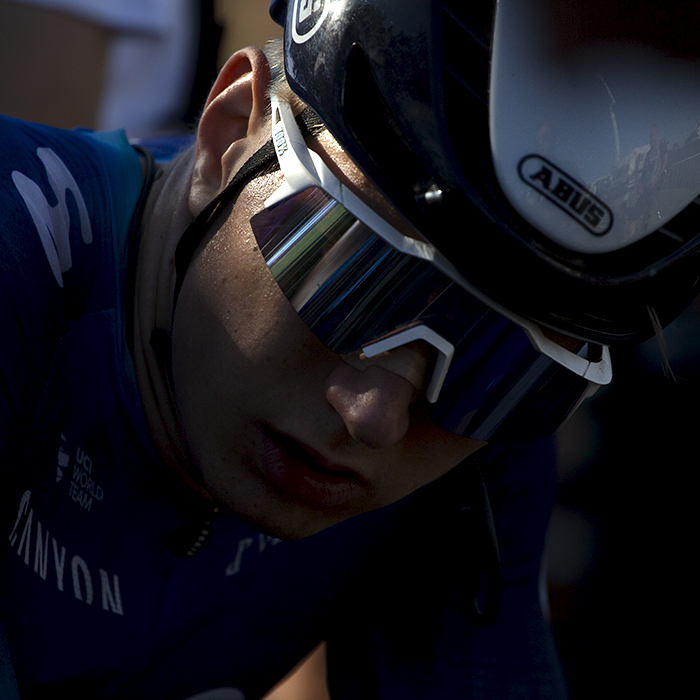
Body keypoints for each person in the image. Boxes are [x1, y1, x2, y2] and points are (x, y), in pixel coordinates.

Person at [2, 1, 700, 698]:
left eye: (510, 370)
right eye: (351, 275)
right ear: (226, 136)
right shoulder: (18, 247)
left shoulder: (476, 437)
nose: (377, 414)